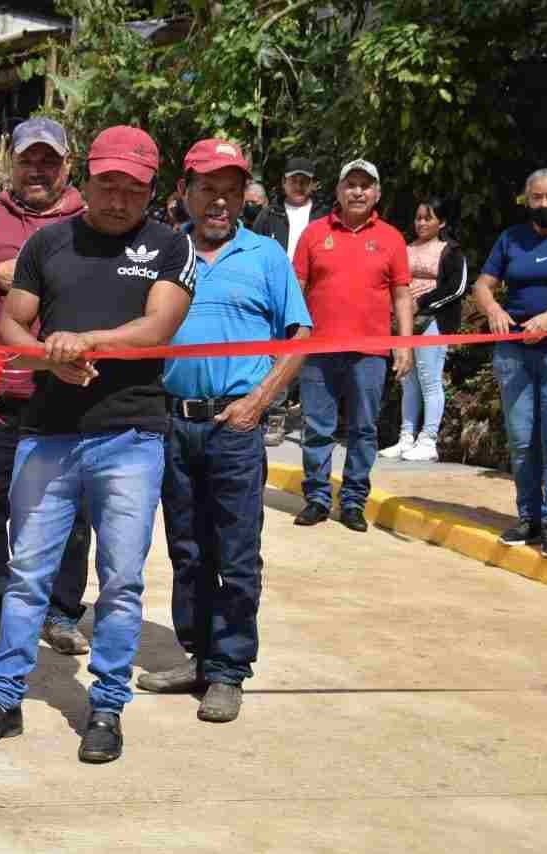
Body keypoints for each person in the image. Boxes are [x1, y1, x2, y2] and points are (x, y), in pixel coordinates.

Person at [0, 126, 196, 765]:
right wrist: (45, 358)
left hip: (131, 435)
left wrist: (82, 342)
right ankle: (3, 701)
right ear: (85, 179)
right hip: (49, 431)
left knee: (120, 579)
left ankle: (107, 707)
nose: (117, 198)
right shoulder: (48, 242)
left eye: (132, 189)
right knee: (27, 573)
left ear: (151, 190)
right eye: (107, 183)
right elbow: (10, 321)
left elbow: (158, 326)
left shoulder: (172, 247)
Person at [136, 138, 311, 723]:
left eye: (231, 191)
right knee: (187, 550)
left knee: (236, 552)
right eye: (208, 188)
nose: (219, 201)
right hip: (173, 423)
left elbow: (300, 338)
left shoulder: (265, 256)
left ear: (243, 199)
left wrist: (260, 401)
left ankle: (230, 670)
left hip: (234, 424)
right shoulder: (163, 254)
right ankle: (198, 655)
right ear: (184, 191)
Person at [0, 116, 92, 654]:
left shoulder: (89, 220)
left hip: (66, 389)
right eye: (27, 159)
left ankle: (60, 611)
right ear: (10, 161)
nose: (36, 170)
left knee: (68, 506)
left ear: (67, 166)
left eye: (48, 161)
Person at [472, 168, 547, 560]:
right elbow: (482, 285)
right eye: (536, 198)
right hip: (513, 352)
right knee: (522, 441)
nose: (543, 204)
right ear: (526, 199)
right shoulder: (511, 239)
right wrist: (492, 309)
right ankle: (529, 518)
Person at [292, 159, 412, 533]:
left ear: (376, 193)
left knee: (364, 429)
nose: (358, 191)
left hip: (371, 353)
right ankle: (316, 497)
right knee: (316, 427)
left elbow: (402, 295)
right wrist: (292, 337)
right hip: (319, 349)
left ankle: (354, 502)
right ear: (339, 192)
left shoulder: (392, 238)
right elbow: (296, 288)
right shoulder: (314, 234)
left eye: (365, 185)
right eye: (351, 185)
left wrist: (404, 344)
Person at [379, 197, 469, 463]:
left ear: (441, 222)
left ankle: (428, 440)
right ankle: (406, 437)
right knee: (407, 379)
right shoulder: (404, 249)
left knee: (430, 379)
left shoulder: (451, 251)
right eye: (418, 217)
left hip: (434, 321)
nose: (421, 223)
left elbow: (456, 288)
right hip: (404, 321)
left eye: (427, 218)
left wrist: (421, 304)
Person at [254, 157, 329, 446]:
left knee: (310, 356)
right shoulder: (268, 214)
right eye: (293, 179)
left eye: (304, 180)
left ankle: (314, 419)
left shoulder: (324, 215)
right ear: (283, 182)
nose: (298, 185)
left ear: (312, 183)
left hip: (313, 292)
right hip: (275, 293)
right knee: (278, 353)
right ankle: (275, 414)